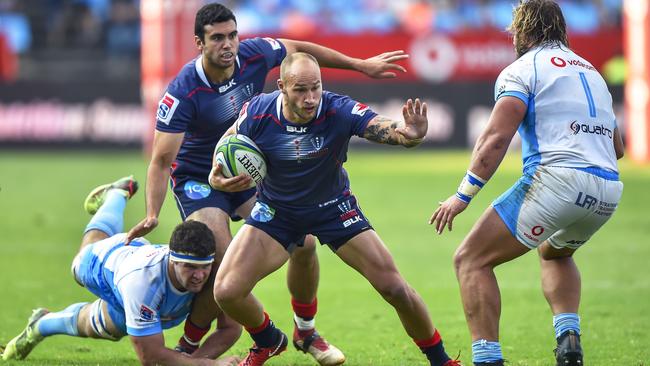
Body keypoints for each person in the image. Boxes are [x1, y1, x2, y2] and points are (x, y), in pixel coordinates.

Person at [126, 3, 410, 363]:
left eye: (232, 35)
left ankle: (306, 331)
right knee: (222, 254)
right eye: (217, 38)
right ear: (199, 43)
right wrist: (152, 212)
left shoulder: (254, 53)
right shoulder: (183, 90)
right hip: (202, 179)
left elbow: (302, 51)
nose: (227, 45)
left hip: (252, 171)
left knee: (305, 243)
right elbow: (162, 159)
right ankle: (205, 340)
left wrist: (359, 65)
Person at [208, 52, 461, 366]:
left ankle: (442, 360)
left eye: (315, 87)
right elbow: (227, 142)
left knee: (394, 287)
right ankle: (270, 340)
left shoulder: (337, 108)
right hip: (277, 212)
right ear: (282, 87)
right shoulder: (258, 112)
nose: (311, 97)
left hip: (333, 208)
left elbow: (383, 126)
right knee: (226, 291)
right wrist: (215, 174)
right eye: (300, 89)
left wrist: (408, 134)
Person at [429, 1, 624, 365]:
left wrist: (462, 195)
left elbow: (495, 139)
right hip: (608, 189)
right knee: (554, 251)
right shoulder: (592, 72)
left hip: (557, 180)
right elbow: (618, 148)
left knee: (471, 260)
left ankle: (488, 360)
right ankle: (568, 340)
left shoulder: (522, 69)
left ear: (523, 31)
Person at [2, 176, 241, 366]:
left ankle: (40, 323)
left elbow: (231, 327)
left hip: (139, 279)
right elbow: (150, 357)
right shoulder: (142, 283)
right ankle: (116, 195)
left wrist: (193, 360)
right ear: (173, 261)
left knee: (106, 328)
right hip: (110, 264)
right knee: (80, 262)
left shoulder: (215, 274)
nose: (199, 275)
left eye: (204, 267)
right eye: (190, 267)